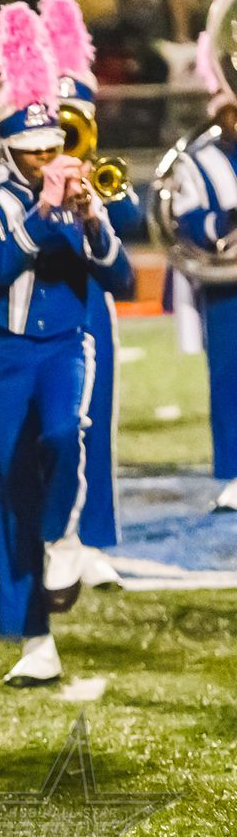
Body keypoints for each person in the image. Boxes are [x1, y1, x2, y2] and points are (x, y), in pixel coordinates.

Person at [0, 3, 130, 687]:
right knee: (12, 491)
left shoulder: (81, 191)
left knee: (64, 437)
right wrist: (41, 214)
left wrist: (92, 219)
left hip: (65, 347)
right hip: (5, 358)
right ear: (8, 149)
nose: (44, 161)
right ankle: (35, 637)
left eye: (49, 147)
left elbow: (119, 275)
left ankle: (66, 535)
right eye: (31, 151)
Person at [42, 0, 140, 590]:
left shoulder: (103, 172)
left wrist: (95, 196)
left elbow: (131, 225)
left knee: (95, 425)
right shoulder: (29, 179)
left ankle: (94, 540)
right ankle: (57, 538)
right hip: (42, 309)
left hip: (91, 312)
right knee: (53, 432)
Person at [166, 32, 237, 513]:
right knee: (230, 377)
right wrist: (227, 221)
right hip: (226, 280)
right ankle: (233, 472)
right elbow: (184, 218)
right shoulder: (196, 161)